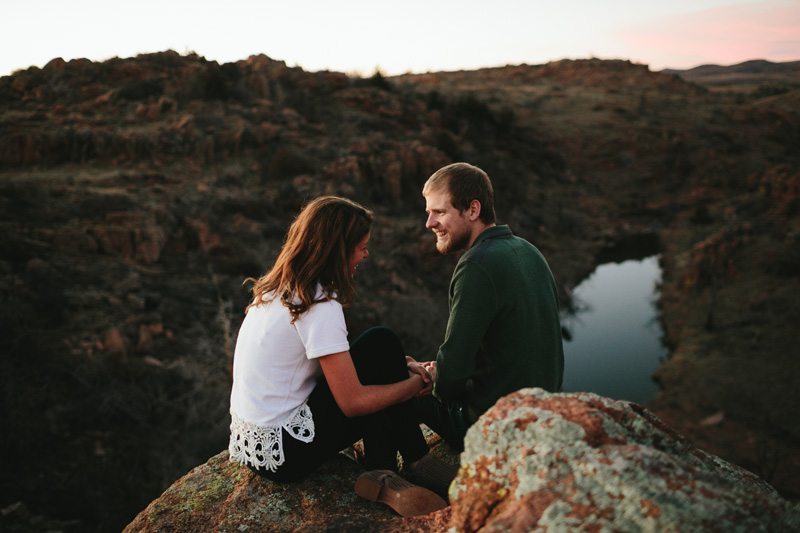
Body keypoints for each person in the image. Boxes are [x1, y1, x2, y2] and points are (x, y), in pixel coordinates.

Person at [228, 196, 456, 517]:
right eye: (361, 247)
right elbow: (353, 402)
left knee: (381, 343)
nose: (365, 254)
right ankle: (394, 467)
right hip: (288, 453)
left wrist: (401, 364)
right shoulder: (319, 304)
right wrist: (417, 382)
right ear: (337, 249)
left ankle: (412, 462)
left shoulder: (274, 290)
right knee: (379, 354)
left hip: (254, 445)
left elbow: (341, 363)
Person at [411, 162, 565, 451]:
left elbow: (451, 376)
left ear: (472, 210)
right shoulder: (529, 251)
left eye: (440, 212)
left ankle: (416, 475)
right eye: (429, 213)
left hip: (496, 427)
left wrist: (435, 376)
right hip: (545, 412)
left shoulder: (476, 266)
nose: (429, 223)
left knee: (396, 385)